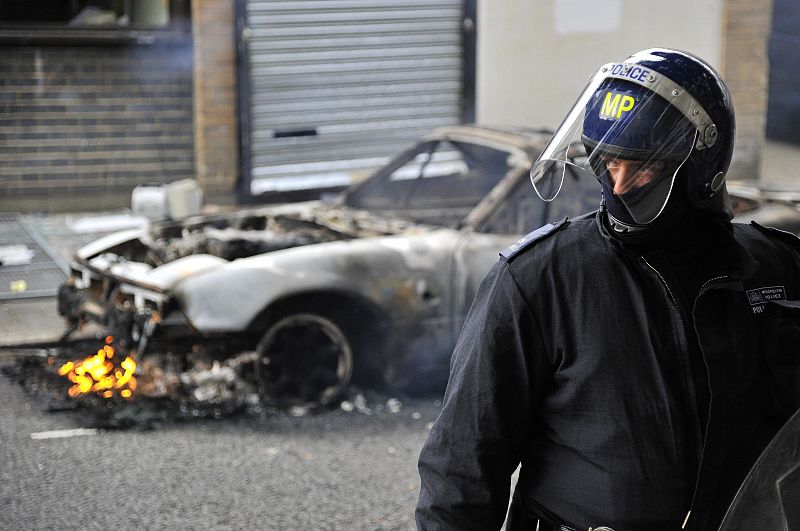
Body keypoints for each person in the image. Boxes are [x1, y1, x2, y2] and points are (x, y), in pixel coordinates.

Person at [415, 48, 800, 531]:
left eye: (641, 167)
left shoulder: (776, 268)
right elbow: (461, 468)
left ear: (702, 167)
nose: (616, 186)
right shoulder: (539, 280)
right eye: (605, 161)